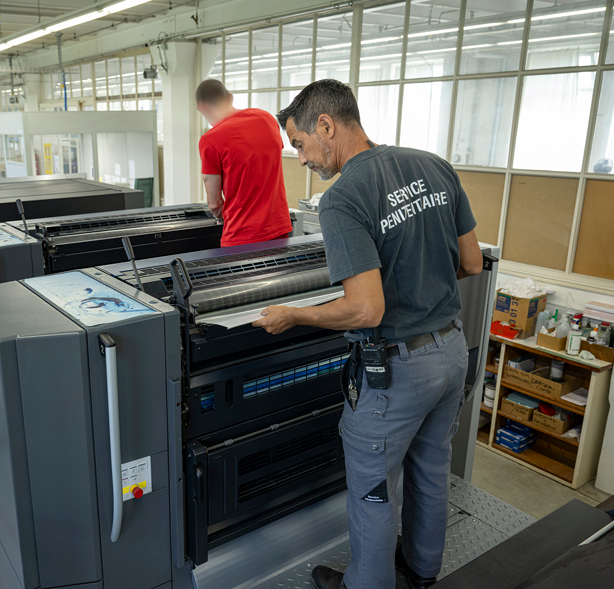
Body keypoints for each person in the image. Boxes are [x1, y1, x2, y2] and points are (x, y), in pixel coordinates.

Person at [253, 80, 483, 589]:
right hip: (450, 353)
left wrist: (295, 314)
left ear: (326, 126)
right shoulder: (433, 165)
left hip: (399, 372)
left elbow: (365, 309)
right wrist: (421, 282)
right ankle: (422, 572)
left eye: (299, 143)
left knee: (373, 489)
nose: (301, 159)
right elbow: (470, 261)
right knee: (430, 469)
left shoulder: (344, 198)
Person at [196, 79, 292, 247]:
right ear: (231, 98)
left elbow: (214, 203)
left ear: (201, 107)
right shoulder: (267, 119)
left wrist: (219, 218)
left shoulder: (210, 140)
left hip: (241, 236)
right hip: (279, 229)